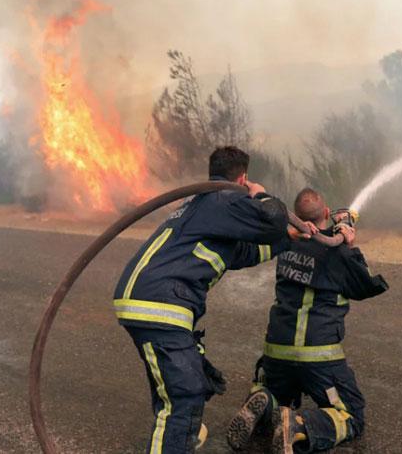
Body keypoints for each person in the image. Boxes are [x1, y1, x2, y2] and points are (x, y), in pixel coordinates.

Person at [112, 146, 290, 453]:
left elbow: (242, 253)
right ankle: (177, 438)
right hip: (159, 304)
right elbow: (273, 218)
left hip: (146, 300)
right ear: (243, 177)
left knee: (177, 391)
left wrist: (289, 240)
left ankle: (181, 438)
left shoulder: (203, 206)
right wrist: (260, 194)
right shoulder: (226, 198)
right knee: (184, 395)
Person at [226, 187, 388, 454]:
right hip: (318, 358)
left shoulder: (287, 244)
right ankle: (298, 425)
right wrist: (350, 246)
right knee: (351, 415)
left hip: (276, 354)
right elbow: (368, 286)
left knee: (280, 393)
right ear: (327, 213)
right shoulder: (338, 254)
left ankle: (266, 400)